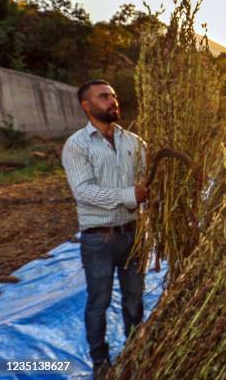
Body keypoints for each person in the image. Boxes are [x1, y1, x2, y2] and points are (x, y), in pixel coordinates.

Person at [61, 79, 149, 378]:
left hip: (133, 233)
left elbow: (146, 184)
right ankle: (100, 361)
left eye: (113, 95)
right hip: (99, 238)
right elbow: (82, 191)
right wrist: (128, 195)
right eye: (103, 97)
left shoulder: (134, 142)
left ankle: (136, 349)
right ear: (87, 106)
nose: (113, 100)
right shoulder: (77, 145)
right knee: (98, 301)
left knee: (135, 296)